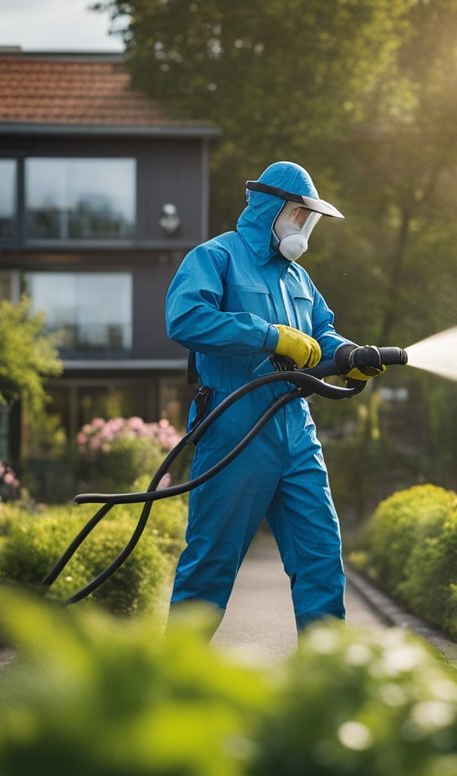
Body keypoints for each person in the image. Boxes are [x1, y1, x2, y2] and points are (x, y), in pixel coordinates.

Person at [165, 161, 382, 631]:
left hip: (295, 429)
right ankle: (172, 689)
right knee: (210, 566)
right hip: (233, 425)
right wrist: (269, 336)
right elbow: (184, 319)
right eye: (299, 215)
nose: (304, 227)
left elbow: (321, 331)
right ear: (272, 208)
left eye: (310, 220)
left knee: (321, 558)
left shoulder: (298, 279)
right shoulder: (215, 257)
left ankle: (327, 688)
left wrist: (348, 353)